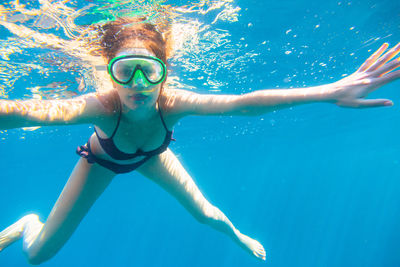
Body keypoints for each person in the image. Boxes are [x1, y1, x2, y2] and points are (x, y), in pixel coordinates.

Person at [0, 17, 399, 265]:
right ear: (109, 74)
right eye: (125, 71)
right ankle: (27, 224)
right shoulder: (102, 106)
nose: (137, 84)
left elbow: (244, 105)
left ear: (164, 72)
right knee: (38, 255)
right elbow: (26, 112)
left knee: (206, 215)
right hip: (104, 160)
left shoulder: (173, 102)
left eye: (148, 71)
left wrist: (332, 91)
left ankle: (239, 236)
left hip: (154, 156)